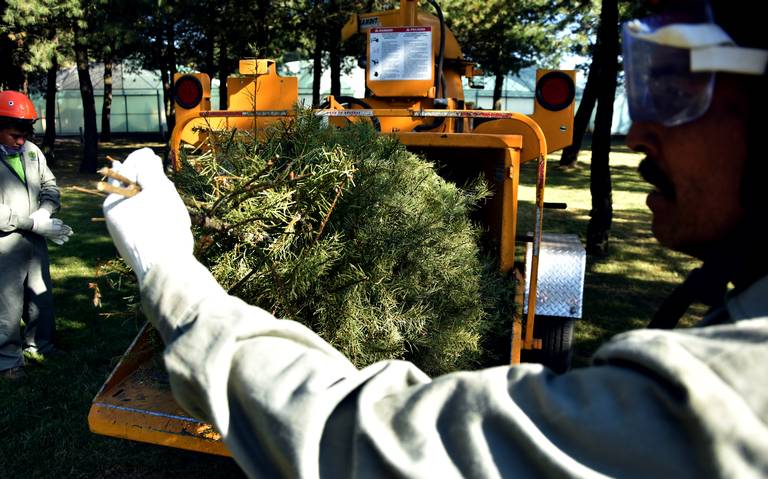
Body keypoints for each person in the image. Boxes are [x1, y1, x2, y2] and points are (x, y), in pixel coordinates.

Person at [102, 0, 768, 476]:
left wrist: (173, 275)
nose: (635, 134)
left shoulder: (733, 394)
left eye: (678, 88)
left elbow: (377, 448)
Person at [0, 91, 73, 380]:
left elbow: (50, 184)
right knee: (6, 301)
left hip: (35, 240)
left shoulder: (32, 151)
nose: (20, 141)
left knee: (40, 295)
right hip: (5, 244)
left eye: (25, 134)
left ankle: (40, 344)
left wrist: (46, 210)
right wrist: (30, 223)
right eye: (13, 135)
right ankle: (8, 360)